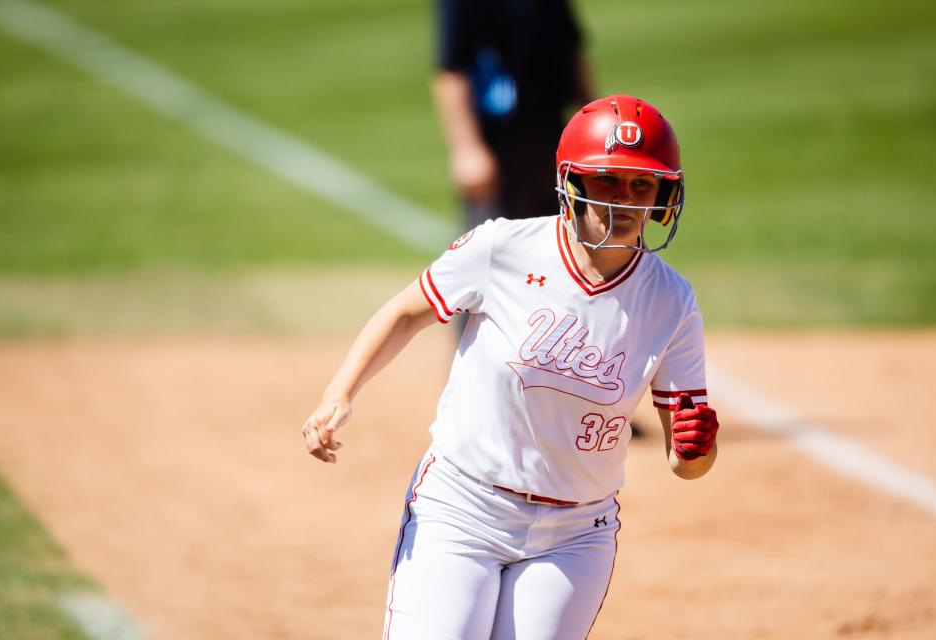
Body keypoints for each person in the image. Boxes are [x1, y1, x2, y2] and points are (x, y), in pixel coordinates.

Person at [302, 95, 721, 640]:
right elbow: (406, 313)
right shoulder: (503, 247)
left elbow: (684, 464)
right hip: (463, 508)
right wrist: (340, 393)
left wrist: (698, 449)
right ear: (572, 183)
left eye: (642, 185)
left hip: (576, 533)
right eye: (607, 181)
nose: (624, 199)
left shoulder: (672, 301)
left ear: (665, 194)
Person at [431, 0, 593, 227]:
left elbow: (570, 47)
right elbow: (452, 70)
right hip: (498, 139)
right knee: (494, 244)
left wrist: (590, 117)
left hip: (554, 131)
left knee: (562, 233)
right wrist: (467, 148)